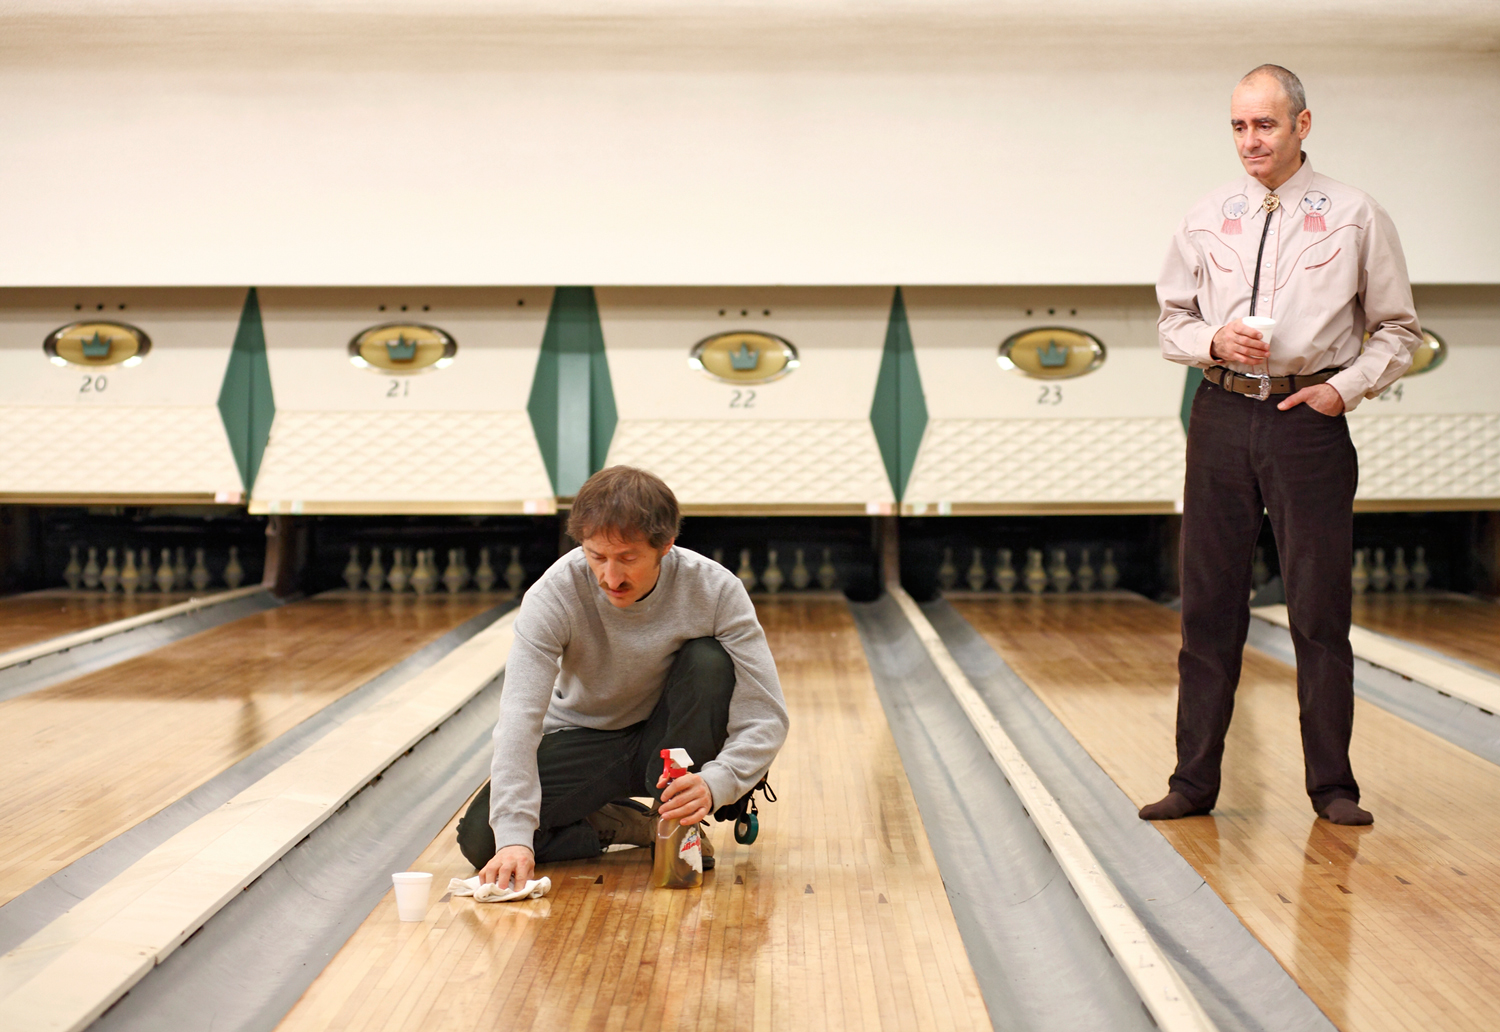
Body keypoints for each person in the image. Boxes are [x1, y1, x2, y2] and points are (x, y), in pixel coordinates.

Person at [1143, 64, 1421, 826]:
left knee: (1319, 611)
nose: (1249, 141)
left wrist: (1343, 389)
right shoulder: (1205, 216)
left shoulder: (1355, 214)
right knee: (1207, 609)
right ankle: (1193, 783)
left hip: (1309, 420)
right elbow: (1171, 324)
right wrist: (1212, 339)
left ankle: (1333, 787)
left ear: (1302, 124)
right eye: (1238, 126)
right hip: (1223, 416)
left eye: (1264, 125)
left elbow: (1399, 331)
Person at [458, 465, 789, 890]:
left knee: (709, 660)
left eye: (628, 558)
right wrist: (514, 839)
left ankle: (673, 818)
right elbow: (519, 718)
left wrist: (716, 782)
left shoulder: (715, 590)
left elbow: (766, 714)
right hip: (586, 739)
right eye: (596, 556)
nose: (610, 577)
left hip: (671, 741)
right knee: (482, 841)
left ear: (666, 546)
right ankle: (620, 824)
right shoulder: (554, 595)